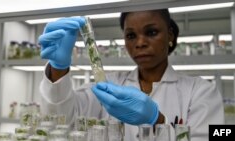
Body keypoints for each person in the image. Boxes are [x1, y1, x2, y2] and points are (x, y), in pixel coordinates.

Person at [38, 9, 224, 141]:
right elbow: (63, 120)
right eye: (131, 35)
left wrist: (158, 121)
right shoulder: (109, 83)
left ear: (170, 36)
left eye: (151, 32)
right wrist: (58, 68)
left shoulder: (201, 91)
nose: (140, 43)